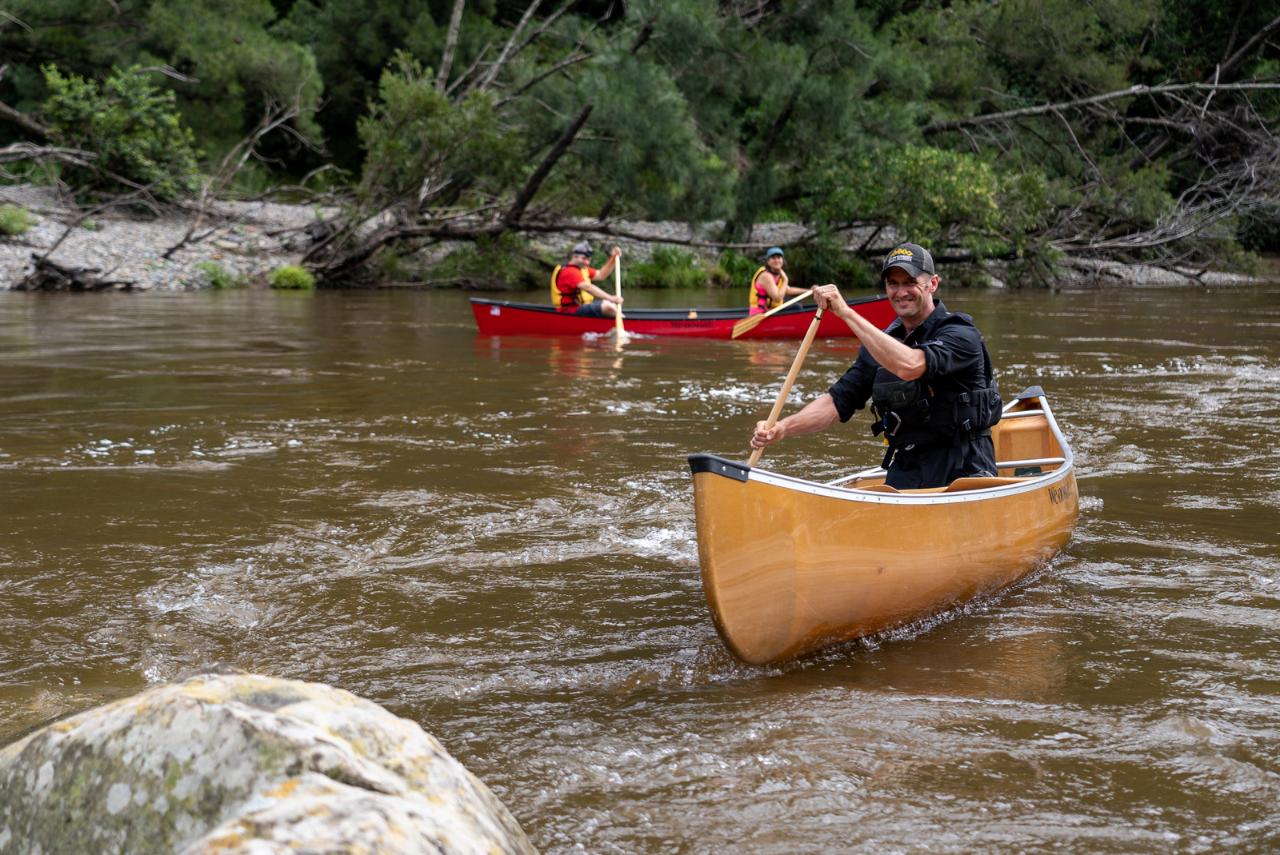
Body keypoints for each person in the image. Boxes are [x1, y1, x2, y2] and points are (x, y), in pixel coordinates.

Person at [749, 242, 1001, 489]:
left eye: (910, 282)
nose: (901, 292)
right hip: (908, 466)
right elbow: (837, 402)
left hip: (963, 467)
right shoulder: (881, 343)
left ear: (932, 284)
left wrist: (846, 313)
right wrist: (782, 428)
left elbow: (910, 365)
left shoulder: (960, 334)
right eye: (893, 283)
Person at [551, 242, 624, 318]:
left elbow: (601, 275)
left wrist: (613, 258)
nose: (587, 262)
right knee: (608, 306)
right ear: (574, 256)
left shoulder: (582, 269)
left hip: (581, 307)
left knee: (609, 304)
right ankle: (625, 322)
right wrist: (611, 298)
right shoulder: (569, 272)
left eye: (588, 259)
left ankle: (622, 318)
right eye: (584, 259)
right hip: (569, 311)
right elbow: (588, 287)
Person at [748, 247, 808, 314]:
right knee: (797, 307)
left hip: (771, 310)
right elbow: (777, 298)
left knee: (795, 303)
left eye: (779, 257)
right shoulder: (766, 276)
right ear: (768, 261)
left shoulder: (778, 274)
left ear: (782, 260)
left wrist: (809, 291)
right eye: (773, 258)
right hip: (760, 314)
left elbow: (788, 289)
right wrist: (785, 279)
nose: (776, 260)